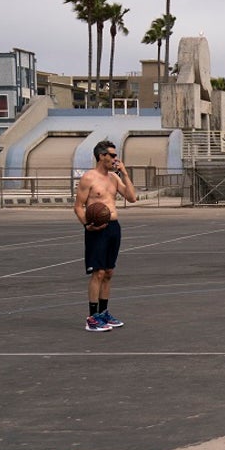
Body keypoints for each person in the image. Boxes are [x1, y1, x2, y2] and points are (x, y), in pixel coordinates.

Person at [74, 140, 137, 332]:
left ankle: (104, 313)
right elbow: (78, 206)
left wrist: (124, 174)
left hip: (113, 227)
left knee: (109, 272)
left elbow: (132, 198)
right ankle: (92, 318)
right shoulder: (88, 178)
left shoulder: (114, 178)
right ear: (102, 156)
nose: (115, 159)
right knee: (98, 273)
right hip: (97, 229)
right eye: (112, 155)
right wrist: (87, 225)